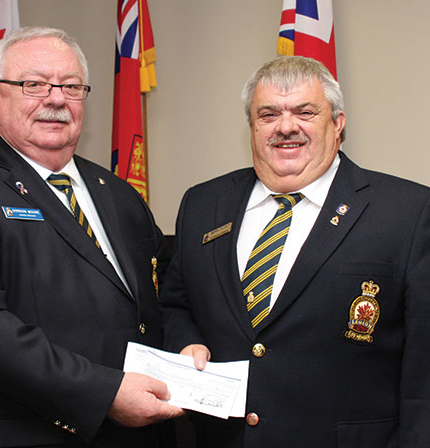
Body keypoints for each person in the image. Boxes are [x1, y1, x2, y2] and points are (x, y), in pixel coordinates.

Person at [0, 26, 183, 448]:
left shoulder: (119, 194)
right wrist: (105, 393)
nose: (56, 99)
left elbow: (164, 296)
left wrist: (190, 348)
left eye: (71, 86)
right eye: (33, 84)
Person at [160, 56, 430, 447]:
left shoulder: (408, 211)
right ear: (251, 126)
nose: (286, 127)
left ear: (337, 123)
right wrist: (185, 342)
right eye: (268, 115)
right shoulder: (203, 204)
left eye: (305, 111)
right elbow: (176, 304)